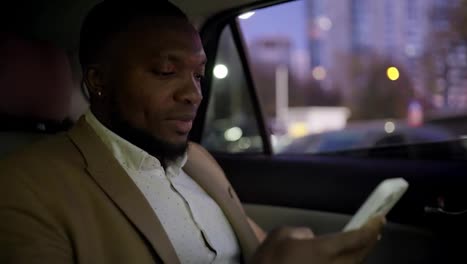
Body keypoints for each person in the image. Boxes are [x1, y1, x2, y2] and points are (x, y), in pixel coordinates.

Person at [0, 1, 385, 263]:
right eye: (166, 72)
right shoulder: (23, 187)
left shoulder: (198, 160)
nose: (194, 94)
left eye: (198, 75)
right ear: (99, 81)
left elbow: (260, 249)